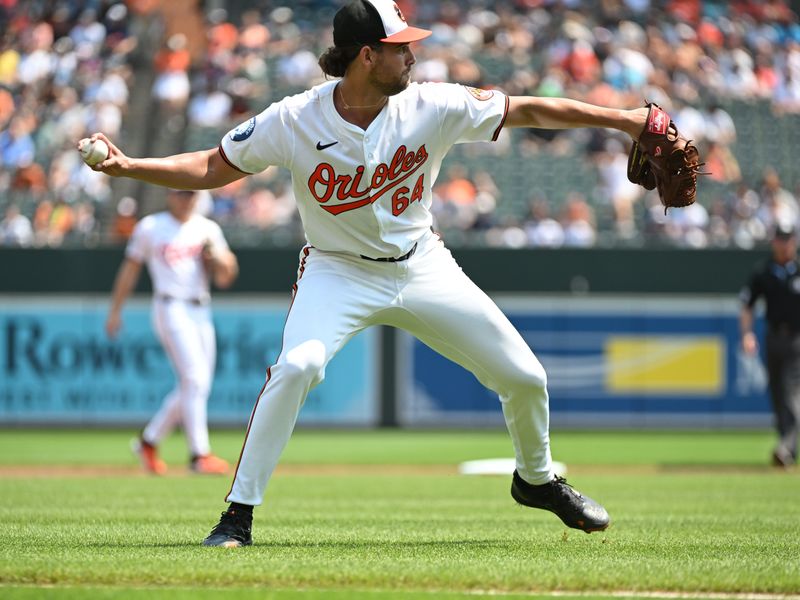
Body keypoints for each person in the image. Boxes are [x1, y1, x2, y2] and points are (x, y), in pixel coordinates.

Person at [83, 0, 652, 546]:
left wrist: (626, 120)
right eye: (400, 48)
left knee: (526, 377)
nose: (412, 57)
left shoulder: (434, 102)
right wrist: (129, 166)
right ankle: (237, 517)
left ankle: (537, 480)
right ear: (364, 56)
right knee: (297, 366)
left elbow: (526, 108)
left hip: (421, 263)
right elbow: (212, 165)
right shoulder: (295, 118)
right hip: (337, 270)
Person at [104, 188, 239, 475]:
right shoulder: (151, 226)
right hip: (169, 305)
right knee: (194, 378)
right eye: (180, 193)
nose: (186, 198)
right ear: (169, 195)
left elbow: (227, 276)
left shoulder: (207, 228)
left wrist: (218, 260)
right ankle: (199, 454)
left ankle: (149, 441)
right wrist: (115, 311)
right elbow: (130, 270)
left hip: (201, 307)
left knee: (197, 384)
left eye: (190, 194)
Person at [740, 223, 800, 469]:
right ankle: (788, 449)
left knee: (789, 390)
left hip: (798, 340)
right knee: (777, 393)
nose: (784, 244)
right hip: (773, 337)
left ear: (793, 242)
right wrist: (747, 334)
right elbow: (747, 304)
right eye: (780, 239)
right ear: (773, 241)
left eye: (787, 239)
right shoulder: (764, 271)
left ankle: (784, 447)